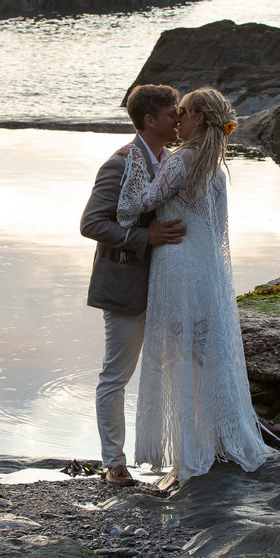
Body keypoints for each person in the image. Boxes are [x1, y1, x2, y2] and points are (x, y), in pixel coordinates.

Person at [118, 87, 275, 486]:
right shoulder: (215, 169)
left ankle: (189, 453)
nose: (178, 120)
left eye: (183, 113)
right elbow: (218, 232)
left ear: (199, 119)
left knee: (179, 356)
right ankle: (217, 438)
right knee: (204, 356)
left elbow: (139, 202)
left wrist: (136, 160)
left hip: (177, 268)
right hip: (207, 272)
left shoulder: (181, 161)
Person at [80, 83, 186, 486]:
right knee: (116, 376)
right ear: (149, 120)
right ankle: (114, 464)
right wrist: (147, 238)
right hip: (126, 288)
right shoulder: (120, 164)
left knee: (187, 364)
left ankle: (187, 450)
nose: (178, 118)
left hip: (167, 283)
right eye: (172, 112)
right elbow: (91, 223)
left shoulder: (169, 159)